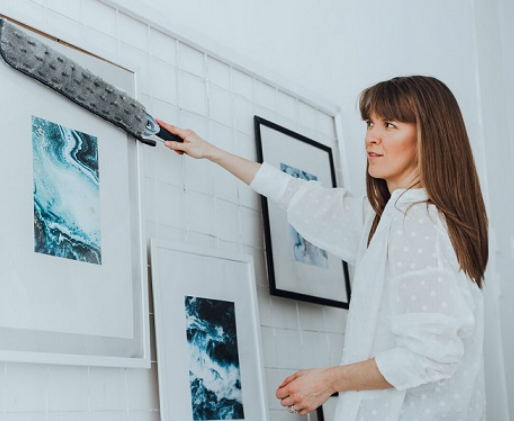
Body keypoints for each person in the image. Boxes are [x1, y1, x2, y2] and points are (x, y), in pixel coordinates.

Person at [158, 75, 488, 421]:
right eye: (370, 123)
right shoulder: (385, 216)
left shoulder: (418, 221)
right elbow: (295, 194)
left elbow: (432, 354)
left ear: (429, 137)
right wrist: (210, 151)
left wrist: (328, 381)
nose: (371, 137)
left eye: (390, 125)